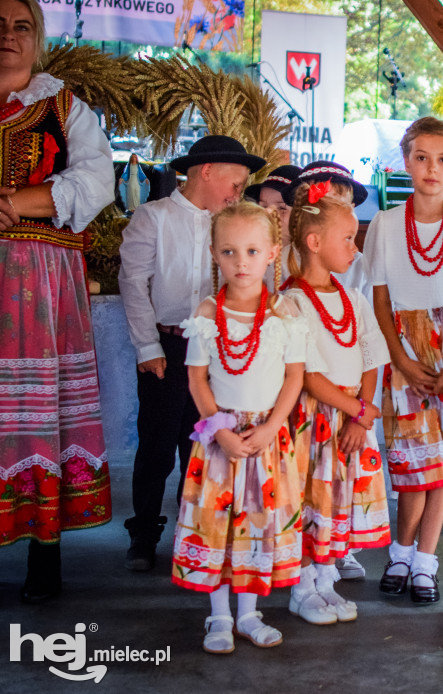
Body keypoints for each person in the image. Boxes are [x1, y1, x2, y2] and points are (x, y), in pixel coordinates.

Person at [0, 0, 115, 603]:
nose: (9, 36)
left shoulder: (63, 106)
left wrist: (18, 204)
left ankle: (46, 550)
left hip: (40, 283)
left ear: (37, 39)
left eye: (21, 27)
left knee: (40, 416)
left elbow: (98, 180)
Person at [119, 135, 265, 571]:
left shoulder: (235, 223)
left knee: (202, 443)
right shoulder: (154, 217)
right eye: (235, 183)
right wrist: (147, 345)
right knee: (158, 442)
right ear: (207, 172)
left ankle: (194, 530)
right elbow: (134, 283)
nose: (237, 193)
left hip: (219, 349)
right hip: (167, 343)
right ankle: (144, 532)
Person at [171, 202, 306, 654]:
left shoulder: (284, 312)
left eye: (251, 250)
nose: (241, 262)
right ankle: (220, 616)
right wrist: (220, 432)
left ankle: (248, 613)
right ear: (214, 253)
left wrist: (271, 429)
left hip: (266, 438)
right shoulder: (208, 311)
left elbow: (294, 377)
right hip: (220, 439)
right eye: (229, 252)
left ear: (272, 253)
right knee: (218, 526)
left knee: (256, 524)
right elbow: (196, 378)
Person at [364, 117, 443, 605]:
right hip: (407, 352)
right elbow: (378, 299)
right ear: (405, 161)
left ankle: (423, 563)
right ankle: (401, 551)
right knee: (414, 463)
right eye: (421, 158)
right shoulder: (387, 224)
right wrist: (399, 358)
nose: (431, 169)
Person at [283, 183, 391, 624]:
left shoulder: (354, 299)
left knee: (338, 501)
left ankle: (325, 582)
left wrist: (361, 416)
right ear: (314, 243)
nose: (355, 246)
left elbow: (371, 356)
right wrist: (358, 412)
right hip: (315, 421)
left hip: (351, 421)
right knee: (312, 497)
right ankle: (302, 587)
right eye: (347, 238)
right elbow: (308, 375)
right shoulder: (290, 303)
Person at [284, 161, 371, 298]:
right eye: (320, 203)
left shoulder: (361, 266)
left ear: (351, 209)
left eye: (337, 204)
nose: (326, 212)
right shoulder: (281, 263)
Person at [250, 164, 300, 284]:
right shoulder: (249, 254)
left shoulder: (307, 261)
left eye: (282, 208)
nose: (269, 213)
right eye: (263, 206)